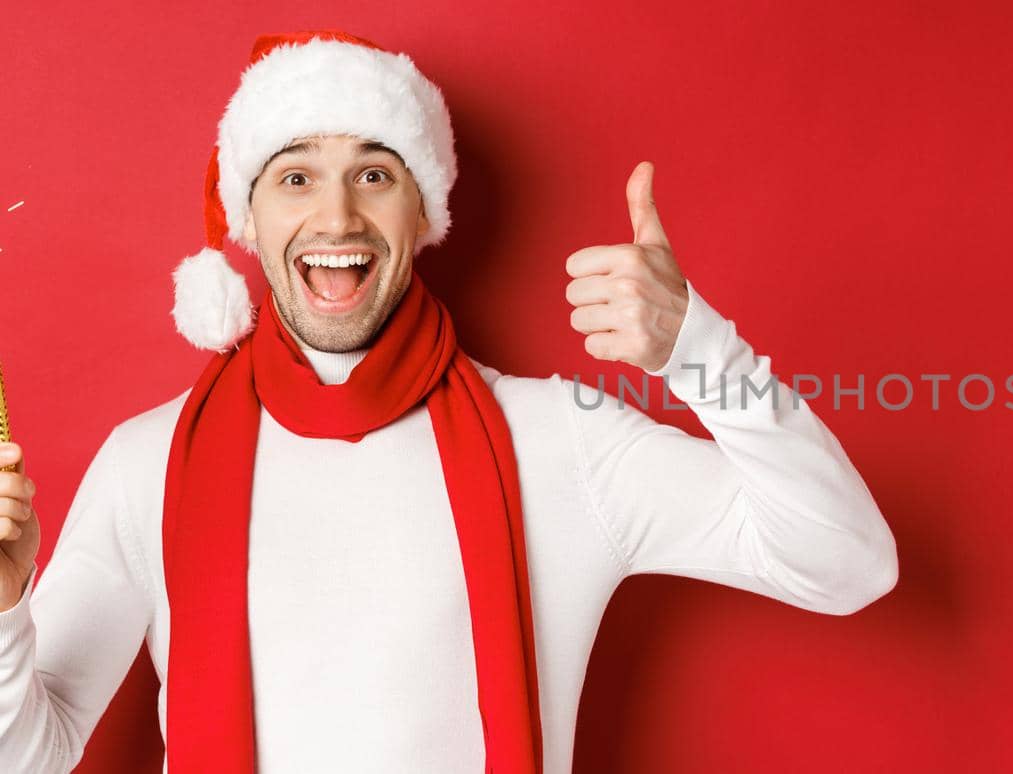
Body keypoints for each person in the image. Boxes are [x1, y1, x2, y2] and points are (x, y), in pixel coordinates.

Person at [0, 29, 897, 773]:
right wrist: (3, 614)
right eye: (297, 177)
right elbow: (30, 756)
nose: (339, 219)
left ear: (424, 215)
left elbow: (848, 565)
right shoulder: (148, 462)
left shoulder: (564, 441)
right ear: (250, 219)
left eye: (376, 174)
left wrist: (700, 350)